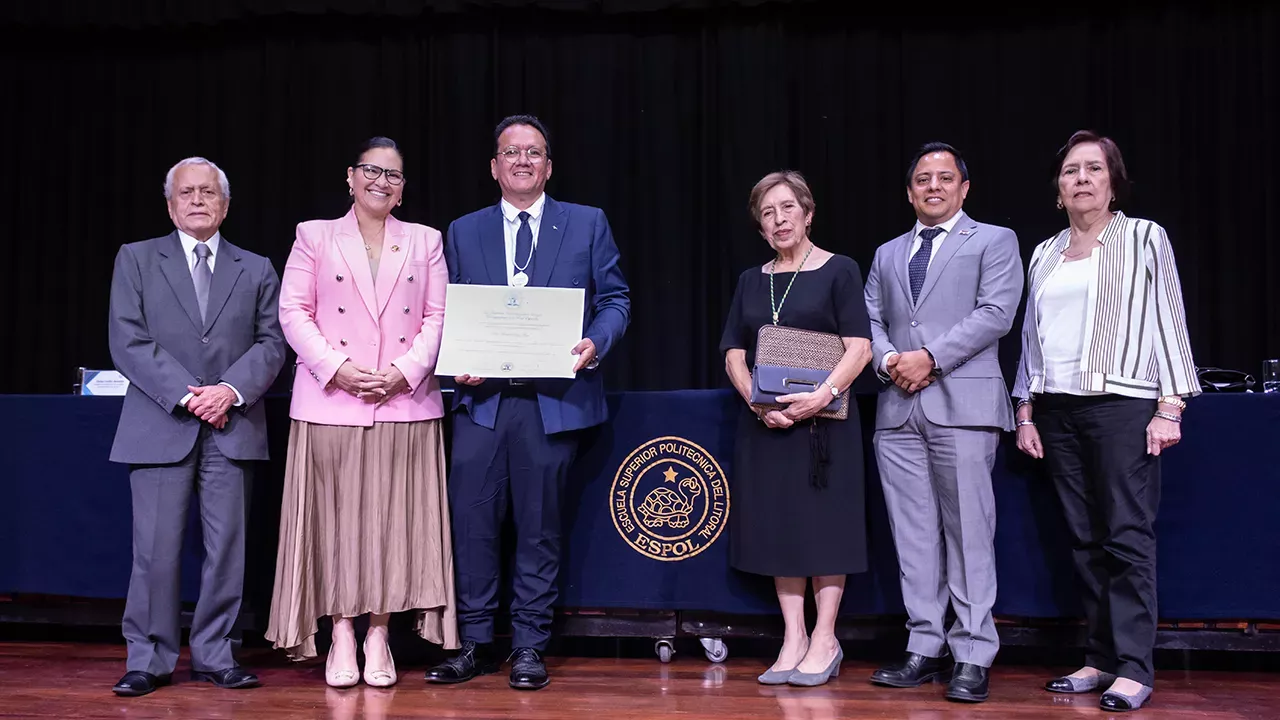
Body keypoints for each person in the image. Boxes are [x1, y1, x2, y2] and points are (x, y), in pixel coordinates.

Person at [425, 114, 630, 690]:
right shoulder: (464, 230)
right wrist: (454, 357)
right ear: (494, 166)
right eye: (511, 152)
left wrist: (596, 342)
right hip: (482, 403)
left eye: (533, 152)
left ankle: (529, 648)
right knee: (473, 527)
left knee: (539, 530)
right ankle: (474, 644)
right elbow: (446, 311)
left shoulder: (587, 224)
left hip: (552, 401)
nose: (522, 161)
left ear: (548, 165)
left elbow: (615, 299)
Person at [1012, 130, 1198, 713]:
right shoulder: (1043, 252)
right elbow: (1030, 338)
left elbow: (1170, 318)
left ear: (1113, 181)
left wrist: (1171, 406)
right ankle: (1098, 657)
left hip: (1122, 405)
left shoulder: (1144, 237)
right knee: (1084, 539)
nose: (1082, 179)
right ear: (1058, 188)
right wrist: (1025, 407)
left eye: (1094, 169)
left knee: (1126, 537)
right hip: (1057, 409)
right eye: (1071, 171)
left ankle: (1135, 667)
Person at [265, 136, 458, 688]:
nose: (382, 181)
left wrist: (404, 370)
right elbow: (294, 310)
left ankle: (379, 632)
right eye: (372, 171)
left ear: (402, 190)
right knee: (337, 524)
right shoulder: (314, 235)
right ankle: (341, 632)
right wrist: (336, 367)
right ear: (350, 177)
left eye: (394, 175)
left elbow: (438, 317)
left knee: (394, 524)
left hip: (405, 402)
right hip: (331, 401)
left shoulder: (425, 240)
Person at [107, 157, 286, 696]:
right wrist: (190, 396)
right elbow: (127, 340)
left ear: (225, 204)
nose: (198, 200)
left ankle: (215, 654)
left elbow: (272, 342)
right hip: (162, 421)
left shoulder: (255, 267)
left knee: (227, 549)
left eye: (209, 192)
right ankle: (149, 657)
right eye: (186, 193)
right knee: (156, 552)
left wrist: (228, 391)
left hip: (232, 426)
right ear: (170, 205)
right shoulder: (136, 260)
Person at [863, 143, 1024, 703]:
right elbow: (871, 319)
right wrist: (889, 361)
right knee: (912, 538)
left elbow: (996, 313)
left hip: (963, 404)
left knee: (969, 536)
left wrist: (928, 357)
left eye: (945, 178)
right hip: (897, 410)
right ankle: (924, 646)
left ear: (963, 188)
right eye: (923, 180)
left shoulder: (995, 240)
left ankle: (973, 652)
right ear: (910, 192)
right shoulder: (886, 253)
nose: (934, 187)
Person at [720, 171, 873, 688]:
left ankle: (826, 637)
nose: (779, 219)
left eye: (788, 208)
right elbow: (734, 352)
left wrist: (820, 396)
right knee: (779, 529)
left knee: (825, 529)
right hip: (767, 424)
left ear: (808, 213)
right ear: (760, 226)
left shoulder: (840, 270)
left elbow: (860, 347)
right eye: (768, 212)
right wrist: (759, 404)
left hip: (823, 427)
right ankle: (794, 637)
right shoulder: (750, 279)